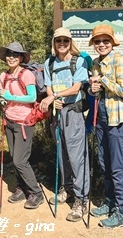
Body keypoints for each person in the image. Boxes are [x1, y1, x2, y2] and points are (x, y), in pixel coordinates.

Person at [87, 24, 123, 228]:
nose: (101, 44)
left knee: (119, 166)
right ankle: (110, 202)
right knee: (105, 162)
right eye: (98, 41)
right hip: (103, 118)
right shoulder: (96, 64)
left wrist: (104, 80)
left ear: (112, 42)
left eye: (106, 41)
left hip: (120, 120)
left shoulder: (120, 60)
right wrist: (93, 89)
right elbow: (98, 93)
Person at [40, 27, 90, 222]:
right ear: (54, 43)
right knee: (62, 154)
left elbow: (77, 88)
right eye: (58, 40)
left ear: (71, 42)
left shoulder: (79, 62)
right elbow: (49, 86)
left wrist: (55, 96)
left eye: (65, 40)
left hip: (74, 114)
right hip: (57, 114)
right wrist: (54, 99)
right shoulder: (49, 63)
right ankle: (66, 188)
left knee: (77, 157)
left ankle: (81, 199)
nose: (62, 43)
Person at [0, 42, 45, 209]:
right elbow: (1, 93)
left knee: (19, 160)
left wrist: (10, 96)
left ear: (22, 57)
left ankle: (36, 192)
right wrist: (2, 98)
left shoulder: (27, 75)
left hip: (24, 122)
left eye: (15, 55)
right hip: (9, 121)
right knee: (14, 158)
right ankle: (22, 188)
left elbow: (31, 98)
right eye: (9, 54)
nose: (11, 57)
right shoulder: (4, 75)